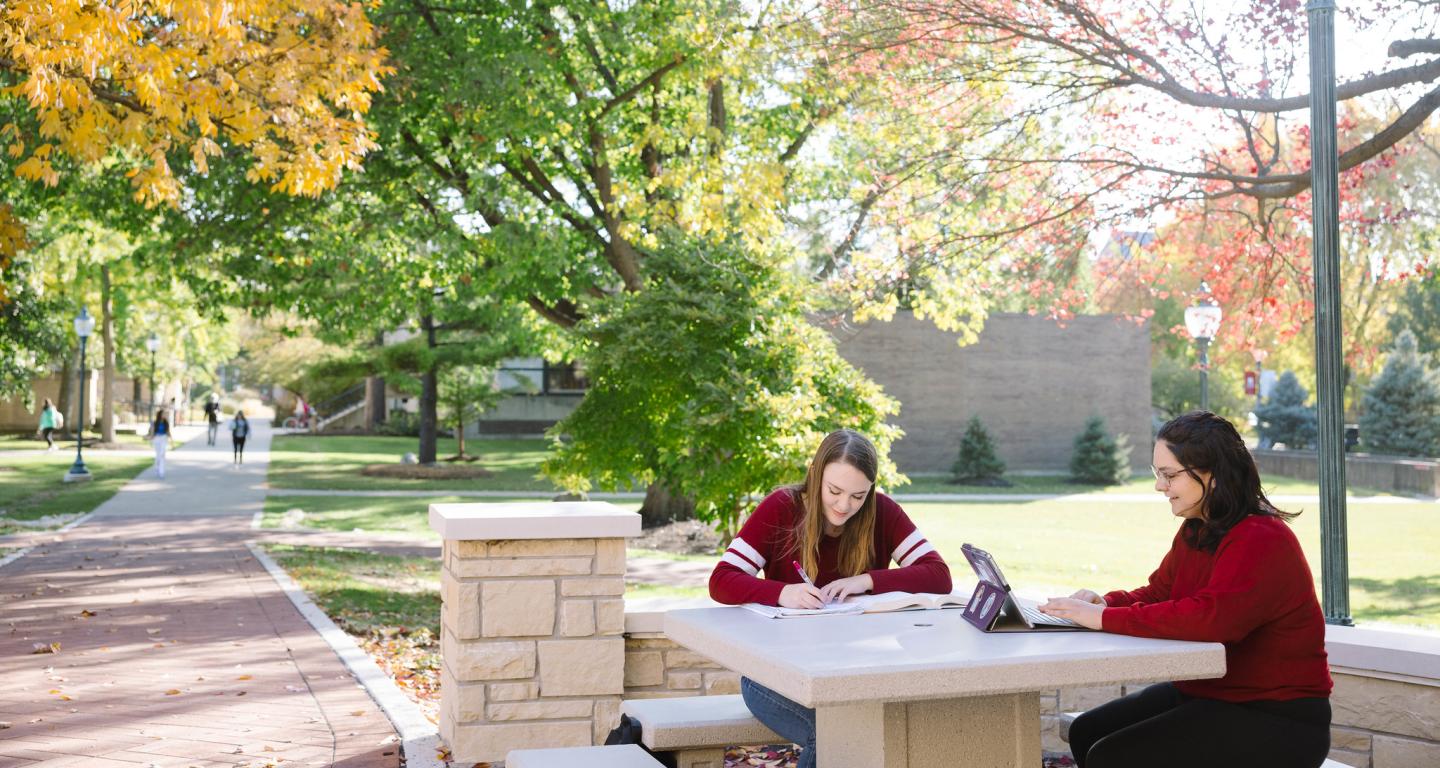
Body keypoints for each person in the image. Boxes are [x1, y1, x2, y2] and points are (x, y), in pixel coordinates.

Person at [1038, 411, 1332, 768]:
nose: (1160, 486)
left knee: (1112, 757)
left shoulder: (1261, 537)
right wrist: (1104, 603)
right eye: (1157, 474)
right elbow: (1161, 592)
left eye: (1169, 475)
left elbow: (1211, 620)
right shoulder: (1199, 528)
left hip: (1279, 717)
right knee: (1088, 731)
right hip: (1208, 694)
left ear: (1212, 475)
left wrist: (1104, 618)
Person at [708, 429, 952, 768]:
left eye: (857, 495)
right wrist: (783, 592)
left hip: (853, 676)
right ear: (815, 474)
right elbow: (721, 580)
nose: (844, 505)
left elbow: (939, 575)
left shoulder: (881, 511)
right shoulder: (781, 508)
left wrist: (866, 580)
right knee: (832, 735)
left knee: (895, 732)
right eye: (834, 491)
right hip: (775, 676)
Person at [146, 409, 173, 479]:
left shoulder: (166, 422)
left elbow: (168, 432)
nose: (165, 415)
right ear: (160, 415)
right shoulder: (155, 423)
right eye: (163, 414)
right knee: (158, 455)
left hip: (164, 438)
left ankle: (161, 471)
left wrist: (171, 441)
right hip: (156, 439)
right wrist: (150, 439)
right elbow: (152, 433)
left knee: (162, 455)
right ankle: (157, 468)